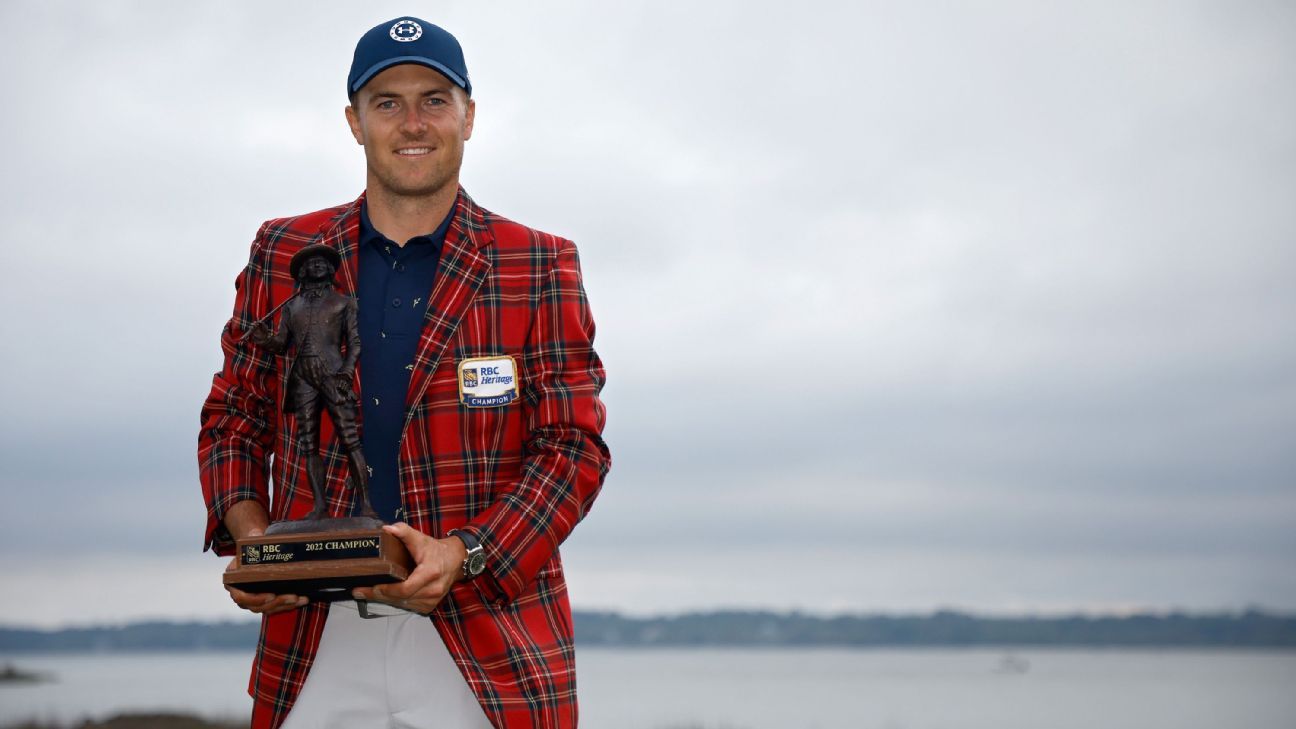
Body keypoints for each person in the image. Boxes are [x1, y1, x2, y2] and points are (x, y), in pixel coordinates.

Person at [198, 16, 610, 729]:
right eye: (386, 101)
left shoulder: (538, 263)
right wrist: (254, 536)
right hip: (315, 638)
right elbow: (234, 414)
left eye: (434, 99)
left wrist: (467, 552)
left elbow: (573, 448)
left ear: (469, 116)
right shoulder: (282, 249)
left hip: (485, 635)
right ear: (354, 121)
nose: (412, 121)